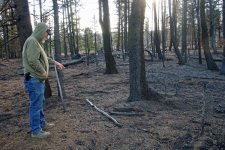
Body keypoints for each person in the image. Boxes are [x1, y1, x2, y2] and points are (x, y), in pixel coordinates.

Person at [22, 22, 64, 138]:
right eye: (46, 33)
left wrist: (55, 62)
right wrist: (43, 72)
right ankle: (36, 131)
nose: (47, 36)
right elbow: (33, 61)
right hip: (34, 79)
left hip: (38, 80)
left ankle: (41, 123)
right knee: (35, 105)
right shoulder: (32, 41)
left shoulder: (37, 43)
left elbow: (44, 58)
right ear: (41, 31)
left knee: (40, 103)